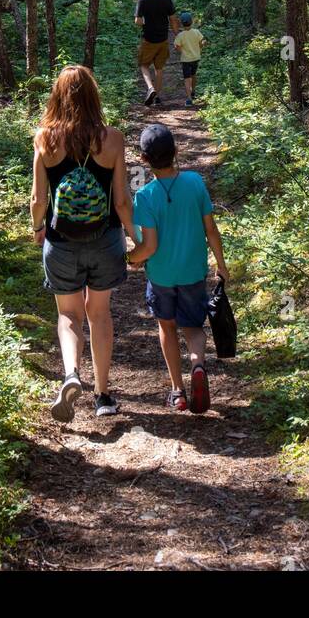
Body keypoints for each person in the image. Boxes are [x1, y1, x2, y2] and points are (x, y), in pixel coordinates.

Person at [31, 65, 135, 422]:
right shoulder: (113, 139)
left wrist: (37, 229)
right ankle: (103, 395)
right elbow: (121, 200)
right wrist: (134, 237)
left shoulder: (45, 138)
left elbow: (37, 200)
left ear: (57, 97)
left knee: (68, 314)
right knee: (100, 314)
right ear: (94, 96)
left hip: (60, 242)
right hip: (104, 240)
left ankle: (72, 374)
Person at [127, 122, 230, 413]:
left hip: (161, 276)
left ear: (144, 160)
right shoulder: (195, 183)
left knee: (167, 326)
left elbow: (148, 247)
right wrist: (221, 265)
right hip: (192, 272)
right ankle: (197, 364)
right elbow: (211, 230)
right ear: (175, 151)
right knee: (193, 325)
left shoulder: (144, 196)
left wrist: (130, 259)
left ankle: (178, 391)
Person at [134, 0, 180, 107]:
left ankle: (150, 88)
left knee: (144, 65)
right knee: (159, 68)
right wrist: (177, 34)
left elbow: (137, 21)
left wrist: (146, 22)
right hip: (163, 39)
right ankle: (157, 97)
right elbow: (173, 19)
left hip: (148, 39)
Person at [173, 10, 206, 106]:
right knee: (193, 75)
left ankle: (189, 99)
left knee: (187, 78)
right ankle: (193, 91)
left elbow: (176, 46)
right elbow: (201, 42)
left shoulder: (180, 35)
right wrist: (200, 46)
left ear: (181, 24)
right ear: (191, 22)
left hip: (186, 60)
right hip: (196, 58)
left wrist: (182, 51)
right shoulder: (196, 32)